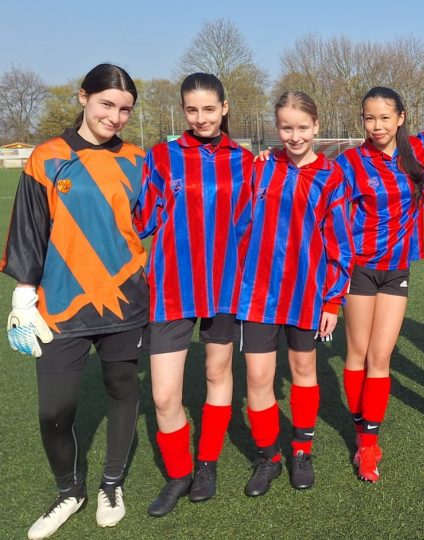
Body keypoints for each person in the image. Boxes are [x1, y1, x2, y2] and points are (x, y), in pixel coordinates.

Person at [2, 64, 147, 538]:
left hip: (125, 301)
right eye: (107, 104)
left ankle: (109, 484)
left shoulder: (137, 159)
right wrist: (24, 297)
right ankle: (70, 491)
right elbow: (27, 228)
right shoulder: (48, 156)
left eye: (125, 109)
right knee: (54, 412)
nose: (116, 117)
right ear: (83, 97)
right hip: (61, 305)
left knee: (123, 389)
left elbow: (151, 226)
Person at [136, 73, 253, 516]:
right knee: (165, 395)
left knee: (217, 375)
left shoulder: (245, 162)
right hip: (171, 288)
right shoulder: (162, 157)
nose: (201, 118)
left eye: (209, 109)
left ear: (224, 108)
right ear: (182, 111)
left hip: (225, 288)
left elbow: (254, 227)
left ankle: (206, 462)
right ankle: (179, 473)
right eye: (191, 110)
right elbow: (142, 221)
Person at [237, 91, 353, 495]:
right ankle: (268, 456)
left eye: (302, 127)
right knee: (258, 376)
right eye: (286, 127)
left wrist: (333, 300)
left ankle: (302, 450)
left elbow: (339, 241)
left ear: (317, 127)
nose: (295, 135)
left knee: (304, 372)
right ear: (276, 127)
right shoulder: (260, 169)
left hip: (307, 294)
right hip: (258, 294)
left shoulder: (331, 176)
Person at [335, 87, 424, 482]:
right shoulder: (350, 162)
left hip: (396, 270)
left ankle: (369, 444)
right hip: (360, 270)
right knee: (357, 355)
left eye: (384, 118)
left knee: (381, 357)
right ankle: (364, 441)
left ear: (401, 118)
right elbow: (327, 206)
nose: (376, 126)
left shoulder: (418, 156)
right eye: (369, 118)